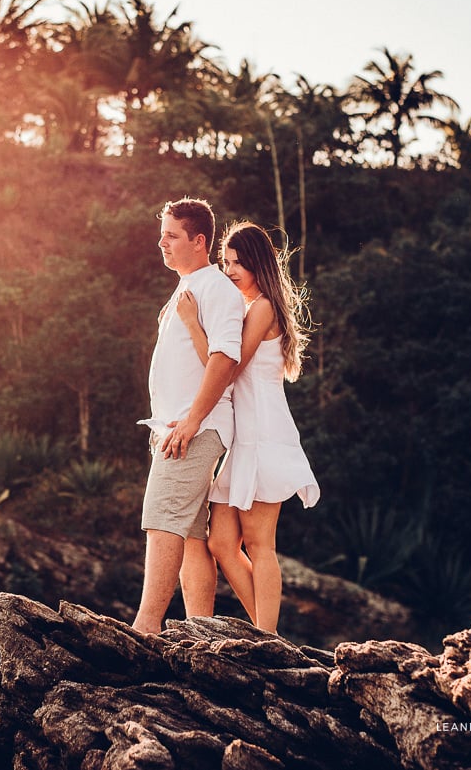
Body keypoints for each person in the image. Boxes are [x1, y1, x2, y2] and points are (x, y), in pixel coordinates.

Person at [175, 221, 319, 633]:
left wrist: (191, 323)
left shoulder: (262, 308)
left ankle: (268, 637)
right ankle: (263, 628)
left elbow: (228, 369)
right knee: (221, 542)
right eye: (226, 262)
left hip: (266, 435)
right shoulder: (247, 307)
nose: (230, 270)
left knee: (260, 544)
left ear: (258, 263)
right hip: (244, 439)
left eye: (238, 263)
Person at [132, 197, 244, 634]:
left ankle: (146, 628)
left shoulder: (214, 289)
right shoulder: (188, 285)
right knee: (193, 537)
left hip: (193, 427)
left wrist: (193, 420)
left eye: (171, 235)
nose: (162, 242)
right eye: (162, 234)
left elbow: (224, 358)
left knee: (162, 519)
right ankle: (200, 632)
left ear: (199, 241)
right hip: (178, 425)